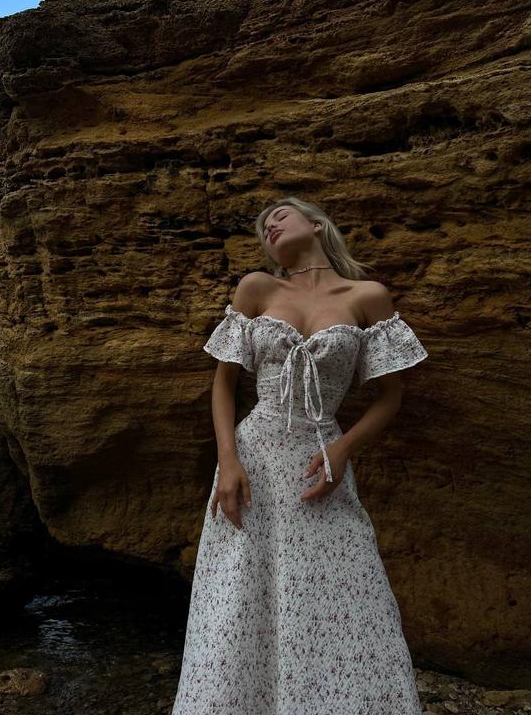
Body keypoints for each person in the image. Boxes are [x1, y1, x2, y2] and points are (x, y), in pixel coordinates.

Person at [171, 196, 429, 714]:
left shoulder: (368, 296)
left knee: (343, 593)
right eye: (263, 227)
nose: (269, 226)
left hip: (320, 462)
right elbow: (223, 385)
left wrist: (342, 448)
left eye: (279, 216)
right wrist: (228, 461)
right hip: (253, 458)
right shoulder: (257, 288)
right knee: (239, 595)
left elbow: (391, 398)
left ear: (316, 224)